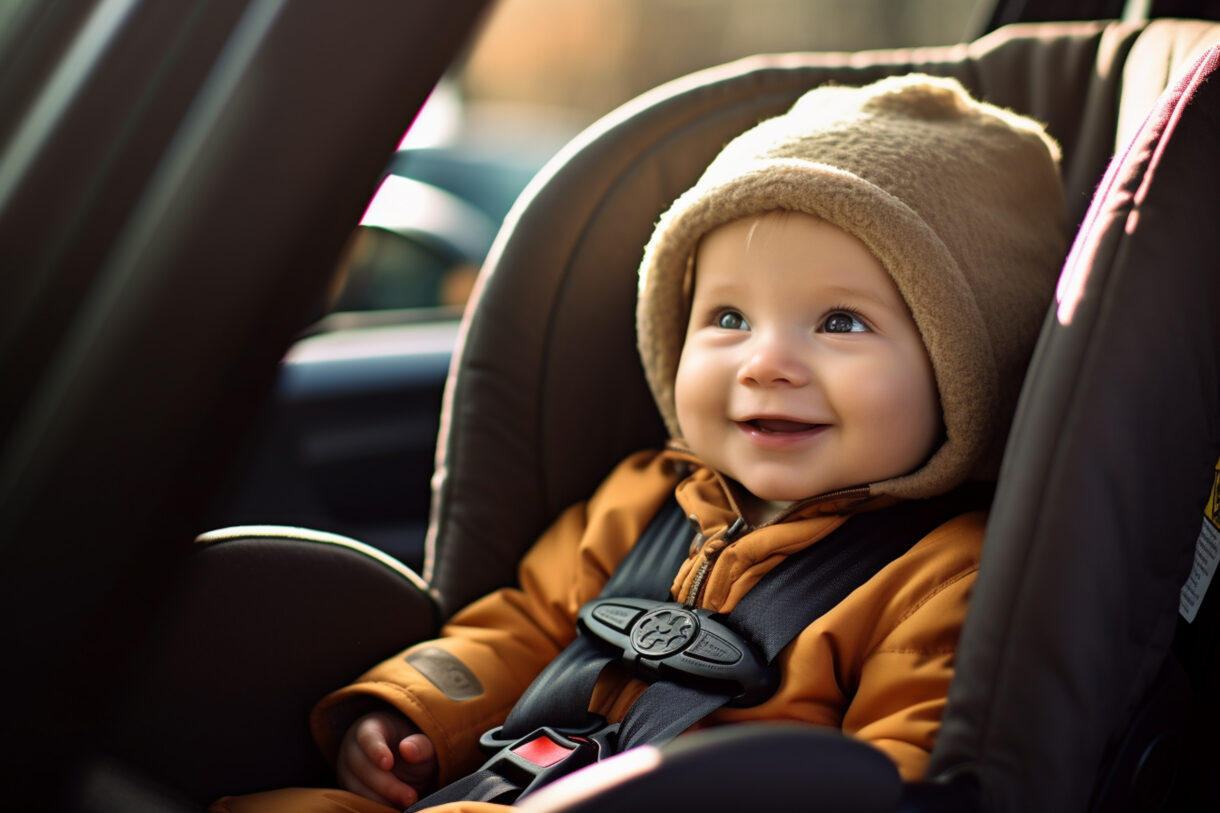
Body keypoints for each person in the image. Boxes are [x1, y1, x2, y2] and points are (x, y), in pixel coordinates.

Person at [213, 73, 1068, 813]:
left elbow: (897, 771)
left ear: (968, 368)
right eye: (728, 317)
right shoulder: (641, 498)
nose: (766, 361)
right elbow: (521, 624)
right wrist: (413, 714)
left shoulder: (946, 578)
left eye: (840, 322)